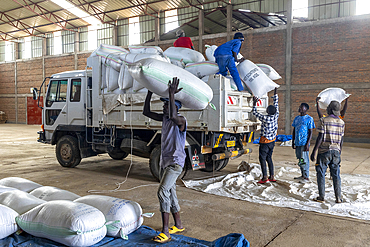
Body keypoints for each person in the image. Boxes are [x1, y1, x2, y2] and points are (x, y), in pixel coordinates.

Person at [143, 77, 186, 243]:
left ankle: (166, 231)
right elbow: (146, 112)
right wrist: (148, 92)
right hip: (166, 162)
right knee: (171, 192)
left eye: (167, 104)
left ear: (175, 107)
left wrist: (171, 94)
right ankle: (179, 225)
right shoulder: (165, 120)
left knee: (162, 192)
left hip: (175, 164)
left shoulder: (181, 120)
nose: (163, 106)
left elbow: (175, 117)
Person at [310, 101, 345, 203]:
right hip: (336, 152)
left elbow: (320, 137)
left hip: (324, 151)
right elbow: (341, 140)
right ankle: (338, 197)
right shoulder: (342, 123)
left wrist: (314, 151)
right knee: (336, 174)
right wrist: (339, 151)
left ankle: (321, 197)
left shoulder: (323, 120)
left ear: (329, 110)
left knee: (321, 173)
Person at [252, 87, 279, 184]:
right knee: (269, 158)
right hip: (272, 142)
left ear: (267, 112)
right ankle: (272, 176)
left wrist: (254, 103)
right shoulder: (276, 115)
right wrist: (275, 92)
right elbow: (276, 103)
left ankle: (264, 177)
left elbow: (255, 113)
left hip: (264, 142)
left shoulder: (265, 118)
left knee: (262, 158)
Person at [292, 103, 315, 183]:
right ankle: (302, 175)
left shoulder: (309, 119)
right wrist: (293, 141)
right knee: (300, 159)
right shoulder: (297, 118)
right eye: (299, 107)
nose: (300, 108)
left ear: (306, 109)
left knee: (304, 159)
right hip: (297, 142)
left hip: (304, 143)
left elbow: (310, 132)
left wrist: (307, 144)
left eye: (301, 107)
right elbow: (294, 130)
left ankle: (306, 177)